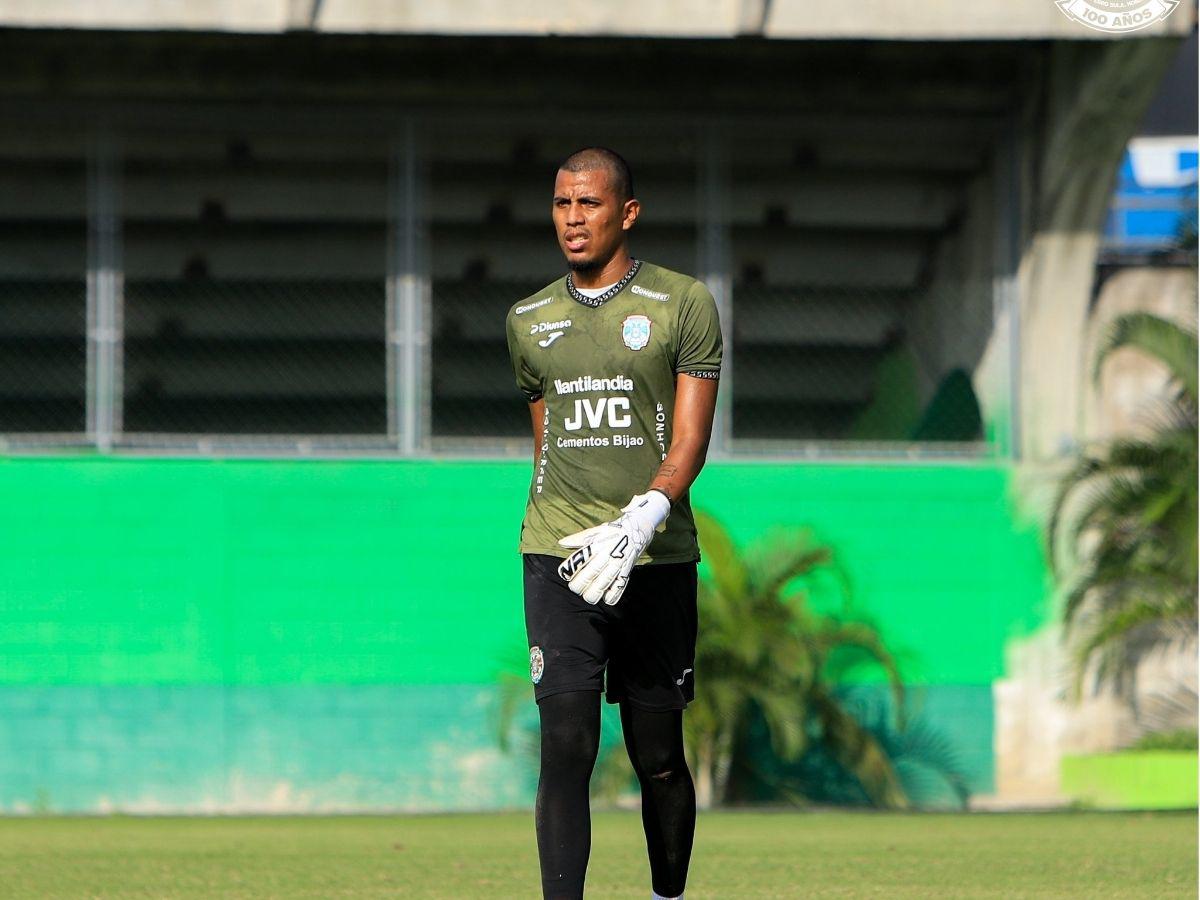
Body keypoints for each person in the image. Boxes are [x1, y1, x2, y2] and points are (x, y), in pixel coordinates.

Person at [505, 147, 721, 900]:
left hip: (655, 557)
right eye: (562, 203)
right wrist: (567, 522)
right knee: (566, 745)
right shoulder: (528, 319)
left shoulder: (683, 303)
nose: (572, 218)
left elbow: (690, 439)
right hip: (560, 553)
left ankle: (668, 896)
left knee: (658, 757)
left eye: (589, 203)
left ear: (627, 213)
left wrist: (644, 516)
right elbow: (548, 443)